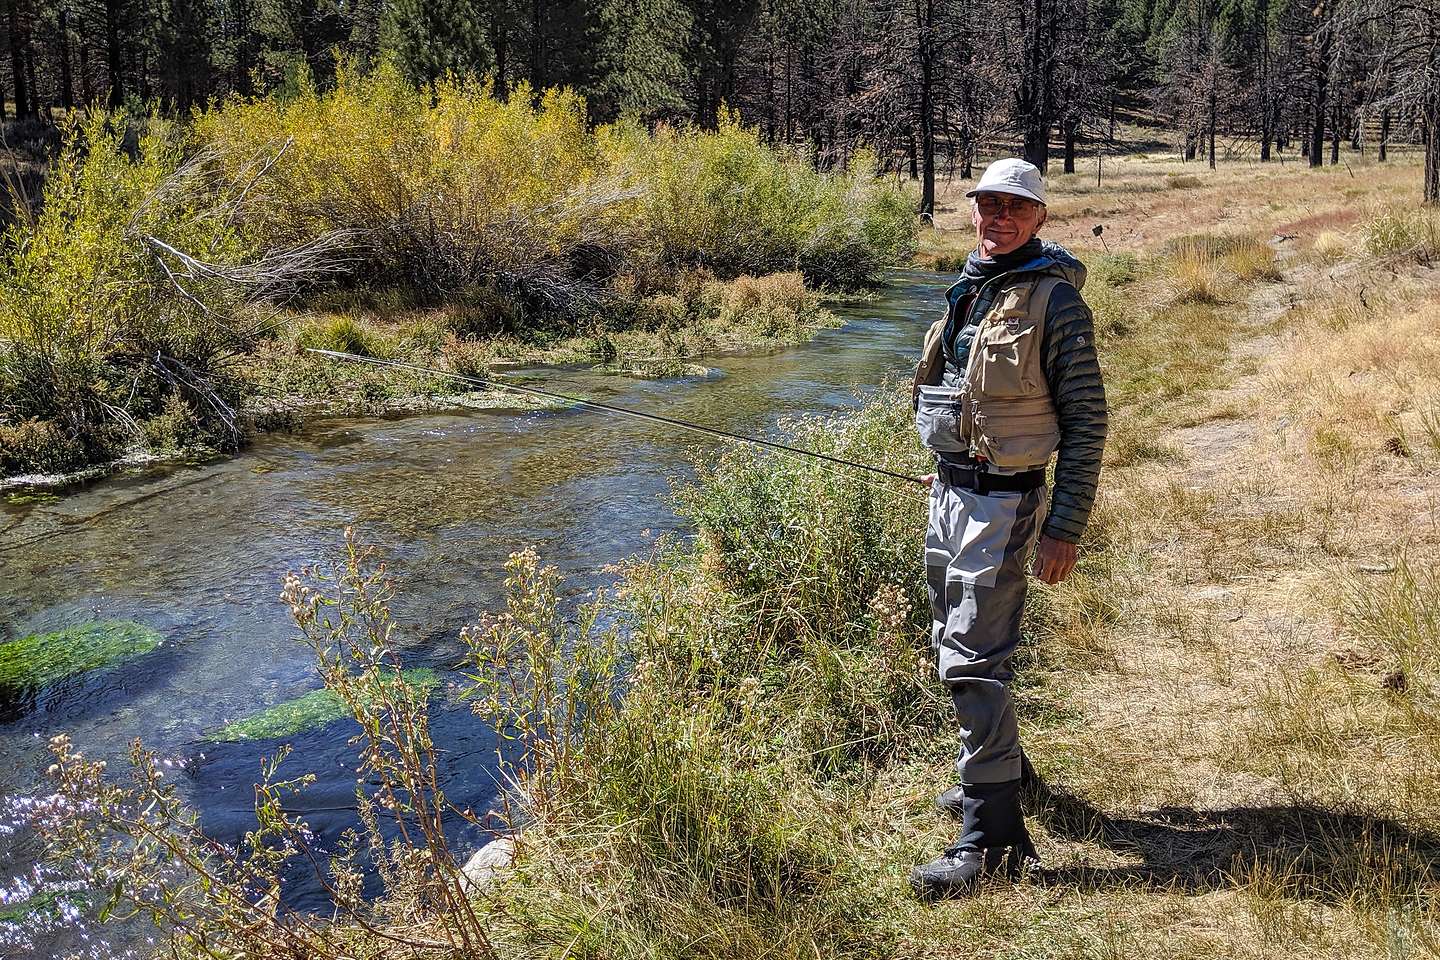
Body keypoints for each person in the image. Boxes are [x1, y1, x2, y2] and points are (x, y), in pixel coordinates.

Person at [908, 158, 1108, 900]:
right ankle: (1001, 778)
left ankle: (993, 842)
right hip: (954, 494)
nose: (999, 218)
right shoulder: (972, 287)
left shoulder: (1055, 303)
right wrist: (952, 469)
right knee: (952, 642)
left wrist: (1066, 525)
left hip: (1004, 505)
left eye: (1014, 208)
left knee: (970, 659)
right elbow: (968, 399)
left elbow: (1088, 422)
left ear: (1040, 219)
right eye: (988, 204)